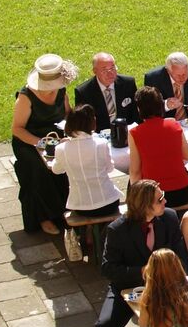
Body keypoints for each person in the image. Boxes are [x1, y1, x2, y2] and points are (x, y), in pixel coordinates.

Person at [97, 180, 188, 327]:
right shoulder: (117, 229)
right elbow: (108, 269)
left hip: (164, 288)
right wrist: (143, 271)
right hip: (129, 288)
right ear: (145, 206)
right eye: (160, 199)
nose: (165, 201)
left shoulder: (170, 218)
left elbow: (181, 257)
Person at [12, 53, 73, 235]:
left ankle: (65, 210)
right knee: (40, 169)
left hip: (55, 138)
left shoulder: (61, 92)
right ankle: (44, 217)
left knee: (67, 162)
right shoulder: (26, 97)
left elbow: (67, 114)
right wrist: (41, 143)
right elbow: (17, 128)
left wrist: (70, 132)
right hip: (29, 141)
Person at [144, 52, 188, 182]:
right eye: (178, 75)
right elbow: (148, 109)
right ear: (168, 70)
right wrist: (166, 105)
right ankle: (180, 178)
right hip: (166, 126)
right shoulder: (154, 78)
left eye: (185, 74)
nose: (182, 78)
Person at [129, 86, 188, 208]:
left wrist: (135, 197)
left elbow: (135, 171)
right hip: (183, 191)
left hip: (154, 196)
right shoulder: (174, 124)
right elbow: (187, 155)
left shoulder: (135, 132)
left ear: (139, 109)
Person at [50, 104, 122, 217]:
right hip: (108, 202)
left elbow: (56, 170)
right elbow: (110, 168)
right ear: (92, 123)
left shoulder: (61, 149)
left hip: (80, 206)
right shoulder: (101, 144)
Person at [74, 52, 139, 131]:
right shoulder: (84, 92)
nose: (110, 73)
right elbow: (83, 123)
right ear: (95, 71)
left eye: (112, 68)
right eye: (104, 70)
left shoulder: (128, 84)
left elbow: (136, 113)